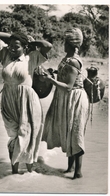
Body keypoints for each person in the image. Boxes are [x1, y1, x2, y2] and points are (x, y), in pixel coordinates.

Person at [0, 31, 52, 174]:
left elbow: (47, 46)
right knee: (13, 136)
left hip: (27, 101)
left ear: (25, 47)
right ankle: (14, 173)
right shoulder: (5, 55)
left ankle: (29, 172)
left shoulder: (31, 58)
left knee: (26, 134)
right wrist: (15, 37)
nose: (12, 48)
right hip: (8, 100)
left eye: (17, 46)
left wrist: (31, 42)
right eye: (11, 45)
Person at [42, 28, 90, 179]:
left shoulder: (73, 61)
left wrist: (50, 81)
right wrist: (54, 74)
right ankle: (70, 167)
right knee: (69, 132)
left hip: (75, 98)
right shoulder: (66, 59)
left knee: (75, 134)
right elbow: (65, 76)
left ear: (70, 45)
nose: (63, 45)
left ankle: (78, 172)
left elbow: (69, 86)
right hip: (68, 98)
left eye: (65, 42)